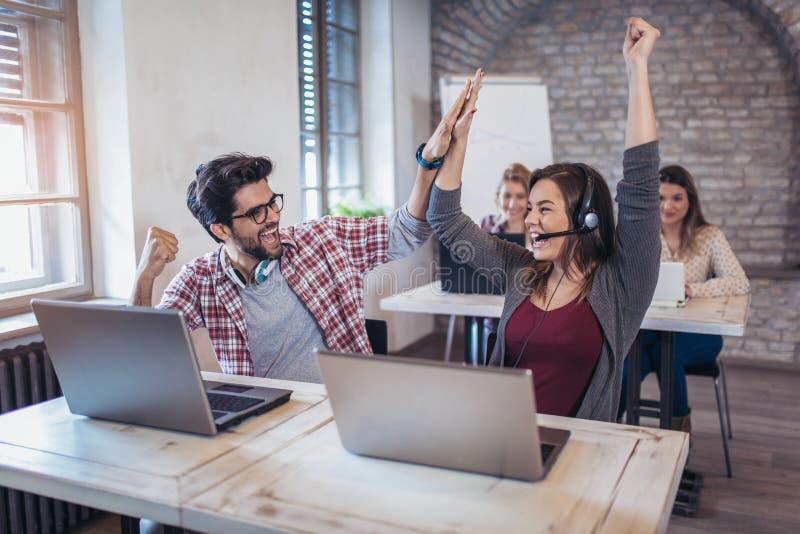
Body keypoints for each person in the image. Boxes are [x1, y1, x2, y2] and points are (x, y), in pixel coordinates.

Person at [129, 80, 479, 382]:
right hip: (266, 423)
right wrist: (144, 276)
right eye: (256, 213)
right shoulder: (200, 281)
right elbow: (142, 354)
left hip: (345, 407)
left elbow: (407, 230)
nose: (272, 217)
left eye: (272, 203)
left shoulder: (322, 239)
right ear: (221, 229)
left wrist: (428, 162)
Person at [427, 17, 662, 422]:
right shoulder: (520, 270)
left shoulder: (621, 285)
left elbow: (641, 185)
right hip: (501, 439)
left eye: (544, 209)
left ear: (586, 218)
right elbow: (444, 217)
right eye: (530, 208)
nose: (530, 219)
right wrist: (459, 139)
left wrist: (636, 67)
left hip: (576, 449)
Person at [619, 164, 750, 431]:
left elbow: (740, 282)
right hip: (651, 332)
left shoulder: (709, 236)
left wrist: (691, 290)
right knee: (627, 364)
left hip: (698, 333)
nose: (667, 206)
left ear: (690, 200)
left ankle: (678, 436)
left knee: (667, 357)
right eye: (660, 198)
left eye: (676, 198)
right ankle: (608, 428)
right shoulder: (642, 236)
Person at [480, 163, 531, 238]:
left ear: (530, 199)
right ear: (499, 196)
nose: (512, 205)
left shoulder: (538, 231)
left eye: (520, 197)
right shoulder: (488, 224)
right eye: (507, 196)